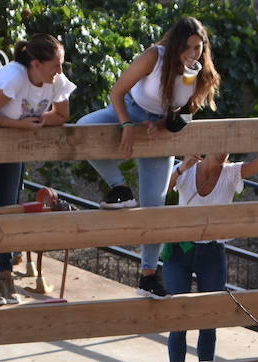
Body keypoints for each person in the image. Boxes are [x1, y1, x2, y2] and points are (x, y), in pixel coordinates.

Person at [76, 16, 221, 297]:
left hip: (158, 127)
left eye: (198, 48)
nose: (193, 54)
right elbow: (117, 91)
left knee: (155, 206)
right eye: (189, 48)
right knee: (84, 130)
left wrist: (163, 127)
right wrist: (127, 125)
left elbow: (188, 115)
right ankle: (119, 188)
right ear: (177, 44)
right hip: (129, 110)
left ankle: (148, 275)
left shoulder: (199, 72)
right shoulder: (155, 56)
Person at [161, 142, 258, 362]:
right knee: (178, 318)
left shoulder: (231, 173)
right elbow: (163, 190)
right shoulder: (188, 168)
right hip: (180, 249)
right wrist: (182, 167)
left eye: (228, 148)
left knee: (209, 319)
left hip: (212, 251)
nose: (223, 153)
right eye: (218, 146)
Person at [0, 34, 74, 305]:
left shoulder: (54, 80)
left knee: (9, 206)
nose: (60, 71)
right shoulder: (13, 78)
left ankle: (5, 272)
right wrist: (20, 125)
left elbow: (62, 115)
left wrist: (38, 120)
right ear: (36, 64)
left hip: (12, 145)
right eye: (55, 66)